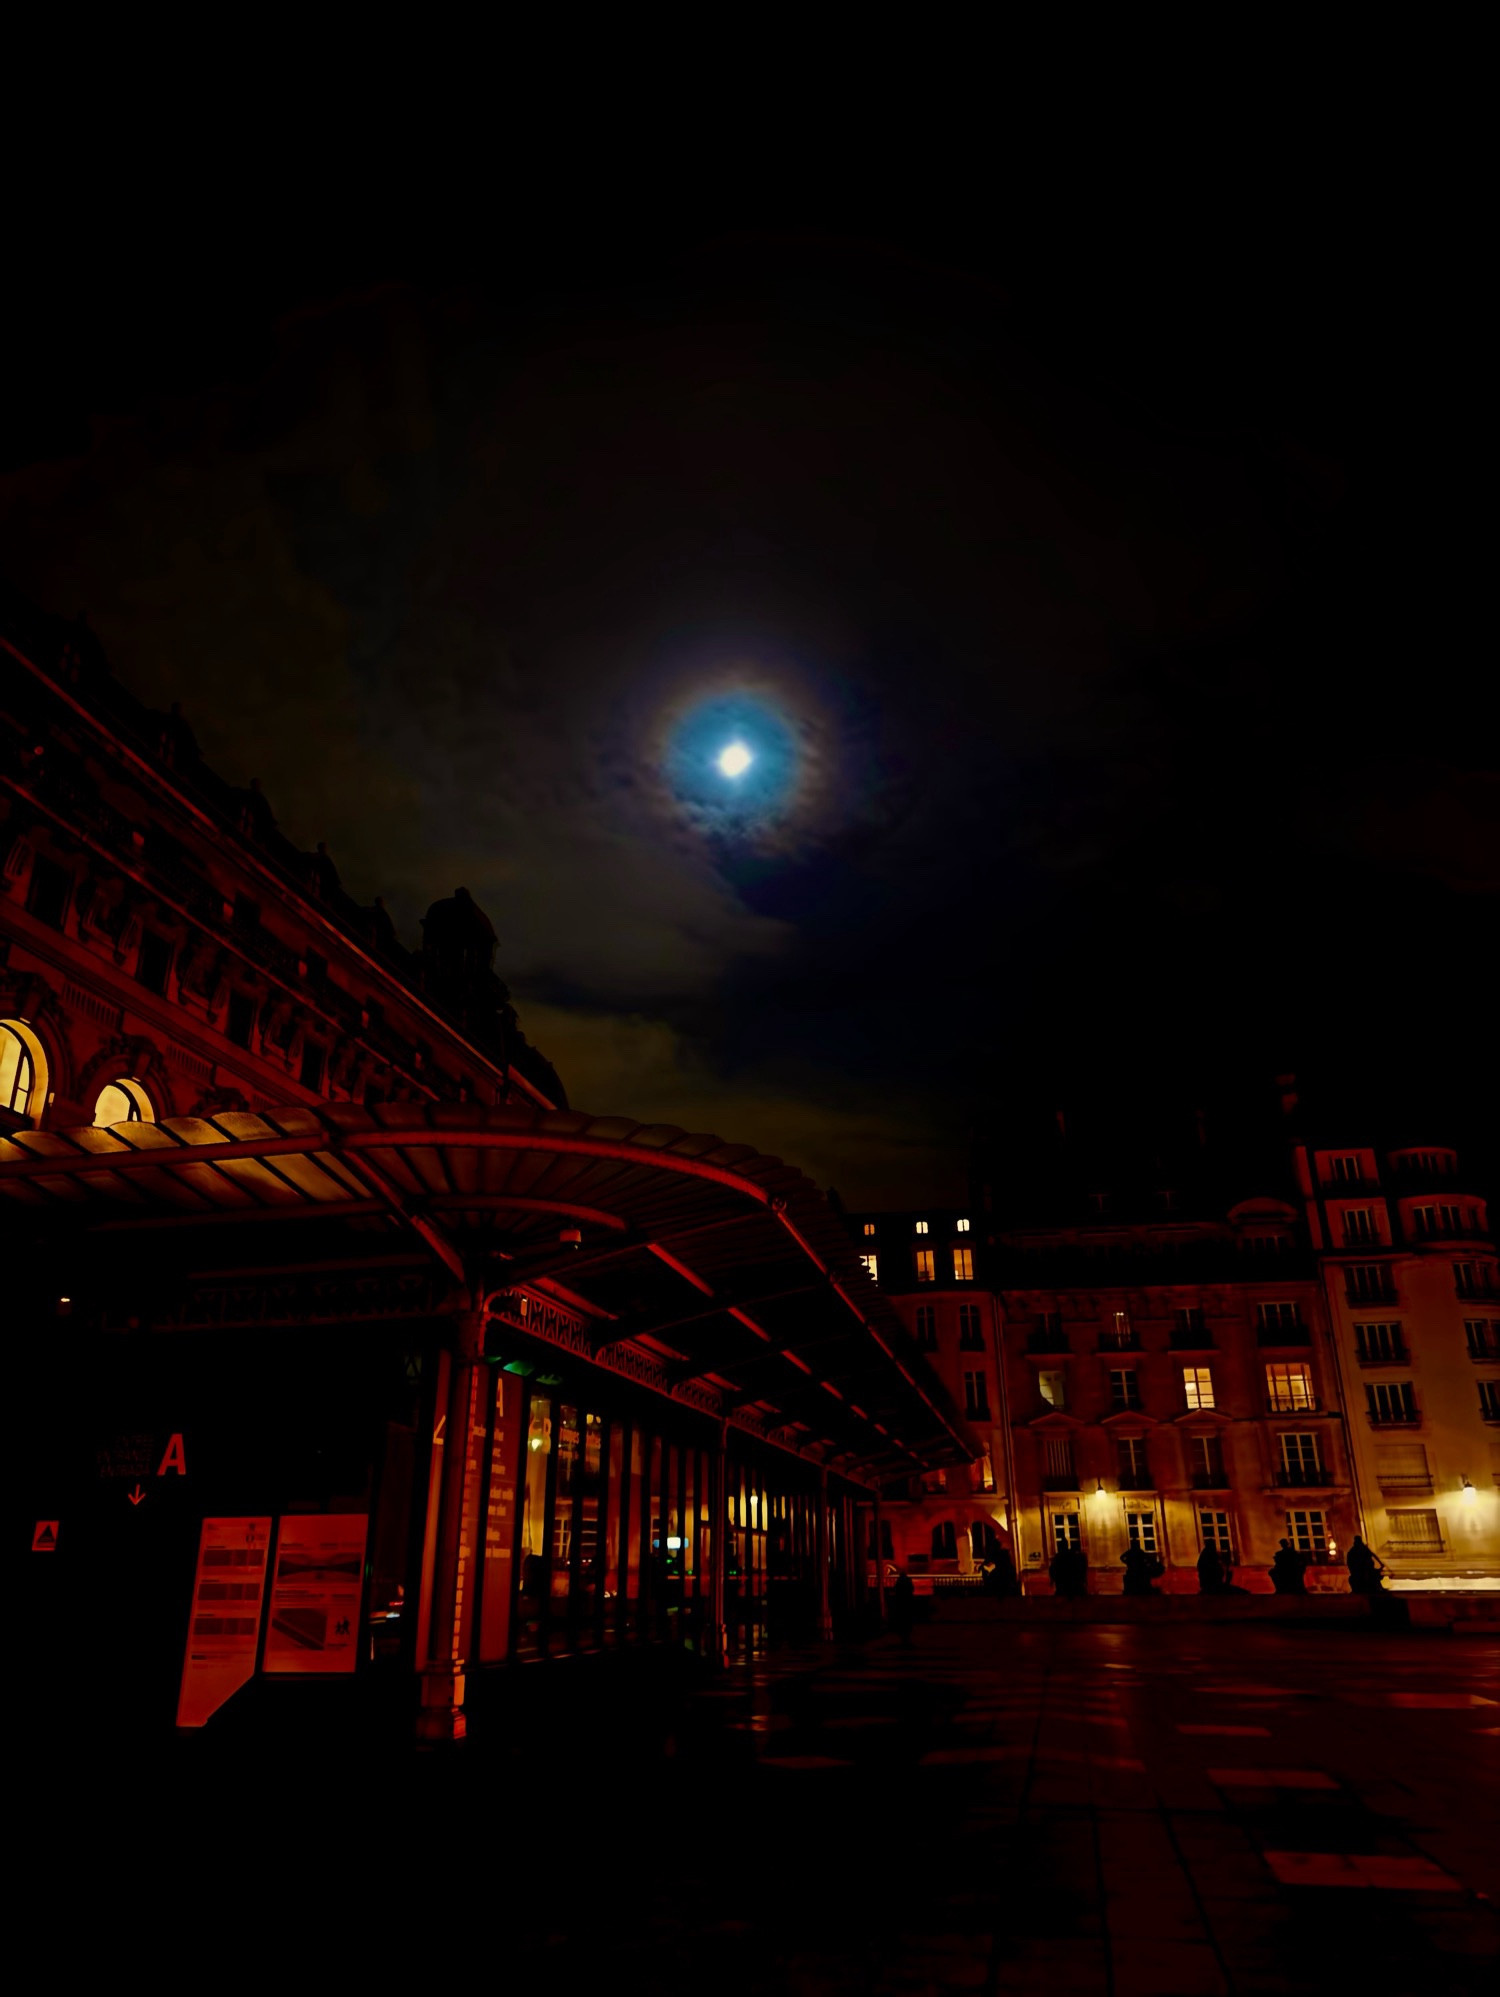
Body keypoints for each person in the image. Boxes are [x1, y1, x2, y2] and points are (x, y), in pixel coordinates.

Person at [890, 1568, 916, 1646]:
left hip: (901, 1603)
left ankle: (904, 1637)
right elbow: (912, 1589)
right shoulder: (908, 1580)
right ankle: (907, 1637)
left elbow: (896, 1590)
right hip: (907, 1603)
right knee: (907, 1620)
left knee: (902, 1621)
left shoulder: (899, 1581)